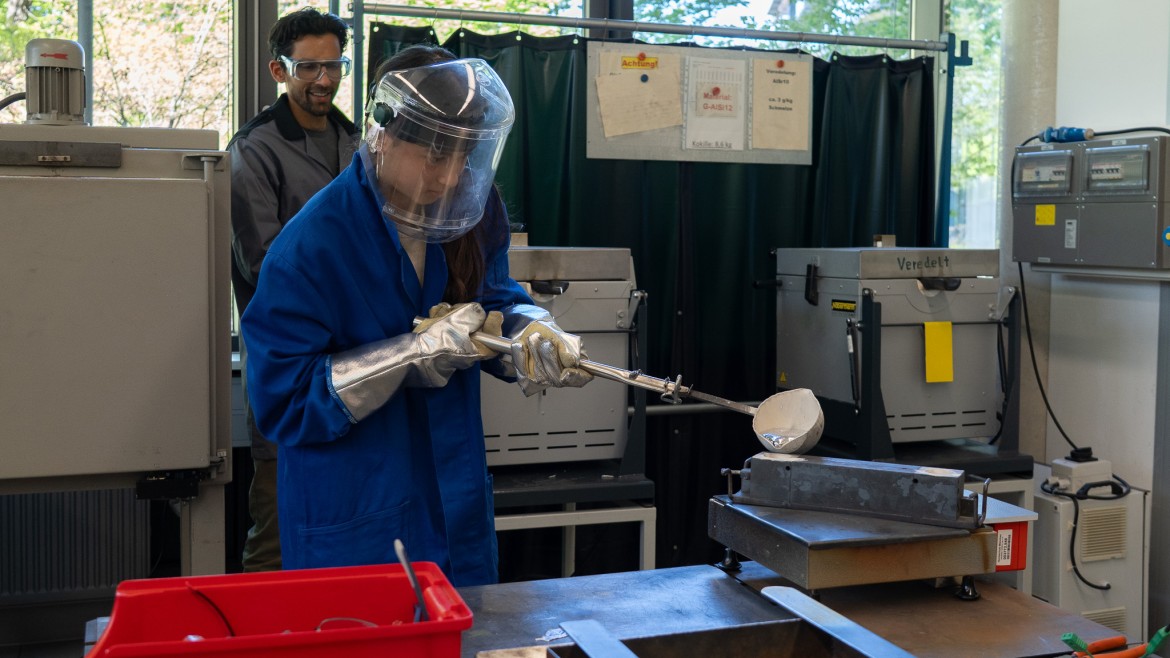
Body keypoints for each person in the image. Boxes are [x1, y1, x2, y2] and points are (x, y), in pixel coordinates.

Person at [240, 45, 592, 586]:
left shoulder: (474, 211)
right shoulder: (312, 246)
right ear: (384, 133)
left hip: (456, 506)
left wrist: (531, 329)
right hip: (358, 515)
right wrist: (411, 355)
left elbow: (493, 296)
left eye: (464, 158)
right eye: (434, 156)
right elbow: (283, 398)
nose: (451, 179)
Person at [227, 7, 357, 573]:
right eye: (310, 67)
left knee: (352, 522)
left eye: (334, 66)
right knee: (280, 530)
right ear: (279, 70)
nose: (324, 79)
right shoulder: (255, 150)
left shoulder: (358, 142)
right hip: (292, 370)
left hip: (357, 361)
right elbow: (266, 265)